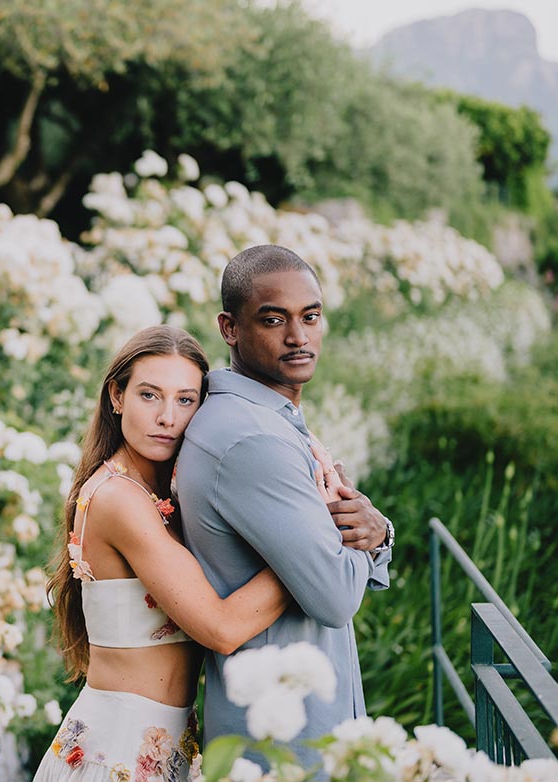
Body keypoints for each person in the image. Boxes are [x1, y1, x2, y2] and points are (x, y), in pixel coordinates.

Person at [36, 325, 359, 781]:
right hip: (119, 755)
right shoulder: (117, 498)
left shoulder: (163, 492)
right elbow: (222, 628)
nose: (167, 416)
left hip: (168, 746)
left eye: (186, 400)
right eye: (150, 396)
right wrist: (312, 543)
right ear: (116, 396)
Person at [176, 244, 393, 768]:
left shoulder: (269, 419)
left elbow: (348, 541)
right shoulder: (252, 439)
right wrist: (357, 536)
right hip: (286, 741)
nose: (299, 337)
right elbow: (336, 597)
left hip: (304, 723)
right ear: (229, 328)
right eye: (274, 320)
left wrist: (378, 531)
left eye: (311, 317)